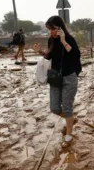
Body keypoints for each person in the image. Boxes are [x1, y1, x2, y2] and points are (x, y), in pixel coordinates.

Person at [34, 16, 81, 148]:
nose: (51, 32)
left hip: (69, 78)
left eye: (53, 29)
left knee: (67, 107)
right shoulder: (51, 40)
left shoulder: (69, 39)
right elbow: (49, 56)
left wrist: (64, 41)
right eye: (49, 29)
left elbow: (76, 55)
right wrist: (40, 52)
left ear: (60, 28)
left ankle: (69, 134)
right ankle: (71, 118)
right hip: (55, 77)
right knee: (54, 108)